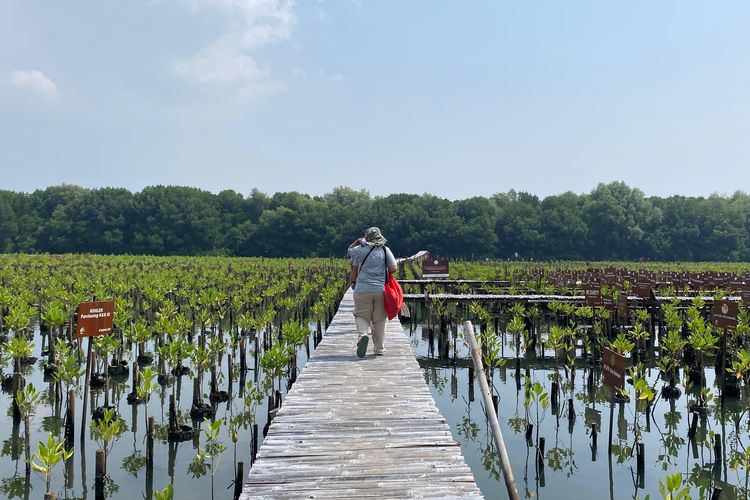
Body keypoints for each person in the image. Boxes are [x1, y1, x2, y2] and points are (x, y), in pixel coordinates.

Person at [347, 227, 397, 357]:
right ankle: (379, 349)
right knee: (379, 320)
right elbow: (393, 268)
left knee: (361, 316)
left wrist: (357, 241)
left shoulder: (361, 250)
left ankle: (363, 335)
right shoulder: (385, 250)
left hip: (362, 289)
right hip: (380, 289)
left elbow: (349, 251)